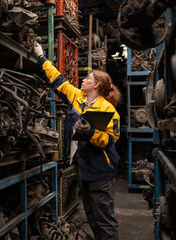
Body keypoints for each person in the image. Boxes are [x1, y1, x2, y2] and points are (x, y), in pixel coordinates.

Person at [33, 42, 121, 240]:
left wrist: (89, 132)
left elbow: (110, 140)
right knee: (92, 216)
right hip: (83, 169)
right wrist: (41, 57)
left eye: (88, 78)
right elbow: (57, 80)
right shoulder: (77, 97)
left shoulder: (108, 109)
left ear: (96, 85)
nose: (83, 80)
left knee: (104, 219)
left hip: (101, 171)